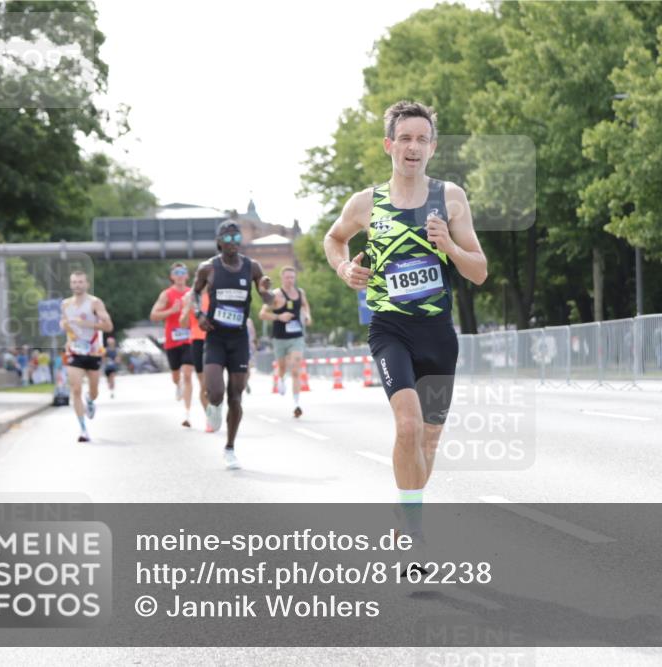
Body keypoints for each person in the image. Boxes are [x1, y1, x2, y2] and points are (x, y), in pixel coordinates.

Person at [323, 101, 487, 569]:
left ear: (432, 147)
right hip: (390, 328)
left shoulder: (450, 199)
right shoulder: (365, 203)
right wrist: (343, 269)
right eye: (405, 138)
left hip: (437, 332)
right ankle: (414, 536)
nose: (413, 147)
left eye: (422, 139)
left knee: (429, 442)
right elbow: (334, 239)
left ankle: (405, 509)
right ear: (389, 145)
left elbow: (478, 273)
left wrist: (449, 245)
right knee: (409, 427)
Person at [191, 220, 277, 469]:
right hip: (216, 336)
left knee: (236, 396)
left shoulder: (252, 267)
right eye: (227, 239)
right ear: (219, 242)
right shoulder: (208, 268)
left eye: (237, 238)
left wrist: (266, 290)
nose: (233, 243)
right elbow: (195, 293)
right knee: (215, 392)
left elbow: (268, 299)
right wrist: (199, 314)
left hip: (239, 338)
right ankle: (213, 407)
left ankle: (229, 447)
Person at [60, 270, 113, 442]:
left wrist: (87, 324)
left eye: (80, 282)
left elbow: (108, 326)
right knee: (75, 389)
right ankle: (83, 429)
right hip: (73, 350)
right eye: (74, 282)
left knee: (94, 390)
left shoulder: (95, 303)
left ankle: (90, 400)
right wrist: (64, 325)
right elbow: (64, 322)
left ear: (87, 284)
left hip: (93, 351)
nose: (77, 285)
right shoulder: (65, 304)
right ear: (70, 284)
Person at [259, 266, 311, 418]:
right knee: (282, 367)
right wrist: (278, 317)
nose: (290, 280)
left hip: (297, 336)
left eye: (292, 277)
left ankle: (296, 403)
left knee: (295, 369)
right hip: (280, 337)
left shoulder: (300, 293)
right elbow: (262, 314)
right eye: (287, 277)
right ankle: (280, 379)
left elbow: (305, 305)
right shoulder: (275, 295)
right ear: (282, 278)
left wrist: (307, 315)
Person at [150, 262, 195, 427]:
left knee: (188, 373)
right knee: (176, 375)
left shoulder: (192, 293)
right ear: (172, 276)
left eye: (183, 272)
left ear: (187, 276)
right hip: (172, 340)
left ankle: (187, 413)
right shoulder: (167, 294)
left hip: (190, 339)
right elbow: (154, 315)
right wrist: (172, 311)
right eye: (177, 272)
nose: (180, 275)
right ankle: (178, 385)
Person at [180, 288, 212, 429]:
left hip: (215, 339)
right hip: (198, 340)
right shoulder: (191, 296)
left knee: (214, 381)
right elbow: (183, 323)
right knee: (203, 383)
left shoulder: (216, 292)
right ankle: (209, 418)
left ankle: (213, 411)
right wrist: (188, 307)